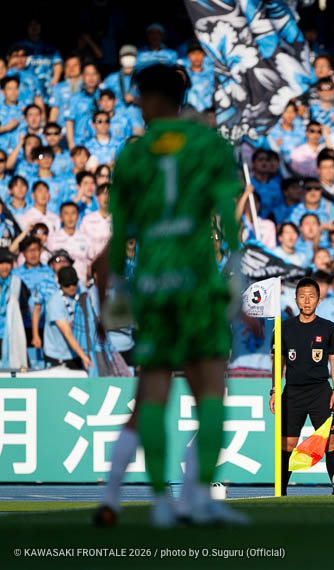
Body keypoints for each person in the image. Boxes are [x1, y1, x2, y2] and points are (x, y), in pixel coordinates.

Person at [95, 64, 246, 527]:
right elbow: (229, 216)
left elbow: (118, 238)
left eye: (139, 96)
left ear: (151, 98)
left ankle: (161, 500)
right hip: (198, 283)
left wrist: (112, 299)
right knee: (212, 391)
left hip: (155, 287)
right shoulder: (207, 144)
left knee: (152, 391)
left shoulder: (133, 156)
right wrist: (237, 279)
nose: (137, 104)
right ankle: (198, 498)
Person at [269, 277, 334, 495]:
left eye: (311, 296)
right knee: (287, 444)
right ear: (296, 300)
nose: (307, 301)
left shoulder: (328, 327)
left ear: (319, 300)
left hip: (321, 392)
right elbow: (278, 363)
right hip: (293, 393)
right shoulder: (283, 328)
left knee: (329, 442)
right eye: (302, 297)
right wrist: (274, 390)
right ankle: (280, 493)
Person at [43, 266, 93, 371]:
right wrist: (84, 356)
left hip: (76, 353)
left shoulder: (81, 291)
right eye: (67, 285)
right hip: (57, 355)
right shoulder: (55, 302)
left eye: (74, 283)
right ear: (60, 284)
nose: (71, 287)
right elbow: (68, 334)